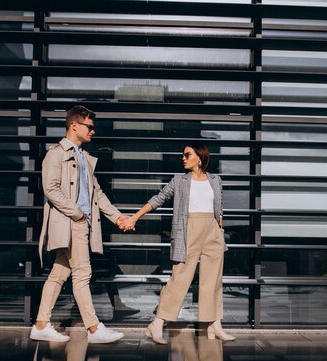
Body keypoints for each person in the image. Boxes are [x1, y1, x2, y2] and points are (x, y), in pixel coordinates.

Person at [31, 105, 132, 344]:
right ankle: (94, 329)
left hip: (81, 223)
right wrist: (77, 214)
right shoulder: (56, 154)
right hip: (71, 223)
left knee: (59, 273)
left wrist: (118, 217)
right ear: (73, 124)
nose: (93, 131)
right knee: (83, 273)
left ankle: (41, 324)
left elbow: (97, 194)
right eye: (89, 126)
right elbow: (51, 189)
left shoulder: (85, 158)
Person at [124, 143, 235, 344]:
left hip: (212, 232)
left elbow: (219, 208)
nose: (183, 158)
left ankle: (214, 325)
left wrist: (220, 228)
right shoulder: (179, 181)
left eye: (187, 154)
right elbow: (158, 199)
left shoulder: (215, 180)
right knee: (179, 279)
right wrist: (135, 217)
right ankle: (156, 324)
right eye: (183, 155)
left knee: (213, 280)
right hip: (188, 231)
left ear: (200, 158)